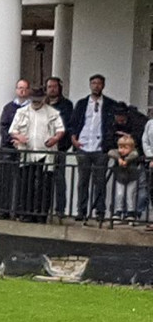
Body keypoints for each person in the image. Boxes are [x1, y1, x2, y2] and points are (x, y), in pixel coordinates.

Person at [8, 86, 65, 222]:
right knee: (26, 184)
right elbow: (12, 130)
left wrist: (55, 139)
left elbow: (60, 130)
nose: (36, 102)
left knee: (43, 185)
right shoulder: (22, 112)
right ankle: (26, 213)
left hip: (45, 154)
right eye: (33, 100)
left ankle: (41, 214)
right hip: (27, 153)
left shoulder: (52, 112)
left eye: (38, 99)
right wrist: (19, 137)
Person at [69, 74, 117, 222]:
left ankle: (100, 211)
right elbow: (73, 122)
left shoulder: (110, 104)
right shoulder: (82, 103)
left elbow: (112, 126)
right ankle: (81, 210)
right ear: (90, 85)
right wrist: (74, 140)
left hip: (100, 147)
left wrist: (108, 143)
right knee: (83, 180)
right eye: (94, 83)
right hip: (83, 145)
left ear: (103, 86)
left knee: (100, 181)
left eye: (99, 83)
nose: (96, 86)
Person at [0, 79, 31, 218]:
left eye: (24, 88)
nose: (22, 90)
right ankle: (3, 210)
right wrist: (13, 139)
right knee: (5, 181)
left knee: (24, 182)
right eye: (20, 88)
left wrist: (23, 141)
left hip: (25, 149)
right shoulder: (9, 108)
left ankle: (20, 211)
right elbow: (3, 127)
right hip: (9, 149)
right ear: (16, 89)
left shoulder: (31, 108)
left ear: (28, 91)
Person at [45, 76, 74, 217]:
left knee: (59, 179)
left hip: (59, 147)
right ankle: (44, 207)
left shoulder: (66, 105)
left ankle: (60, 209)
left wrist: (62, 143)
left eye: (54, 86)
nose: (52, 89)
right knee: (44, 179)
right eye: (49, 86)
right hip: (42, 148)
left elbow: (67, 126)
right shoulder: (42, 104)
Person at [108, 134, 141, 223]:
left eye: (125, 148)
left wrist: (126, 160)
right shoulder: (118, 154)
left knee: (130, 195)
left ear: (131, 147)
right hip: (120, 178)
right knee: (120, 194)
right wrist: (119, 159)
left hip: (132, 178)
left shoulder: (133, 153)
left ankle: (130, 213)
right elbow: (110, 152)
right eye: (120, 147)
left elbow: (135, 154)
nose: (122, 150)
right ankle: (118, 211)